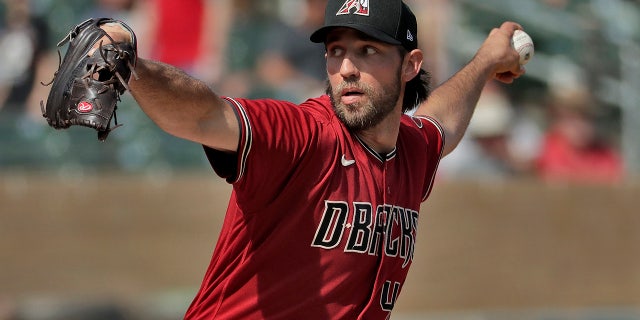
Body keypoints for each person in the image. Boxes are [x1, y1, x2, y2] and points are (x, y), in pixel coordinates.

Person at [96, 0, 524, 318]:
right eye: (336, 51)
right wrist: (131, 65)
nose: (347, 68)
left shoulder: (413, 148)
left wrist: (486, 61)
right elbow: (208, 114)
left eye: (368, 51)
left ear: (411, 64)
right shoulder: (304, 134)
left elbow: (442, 117)